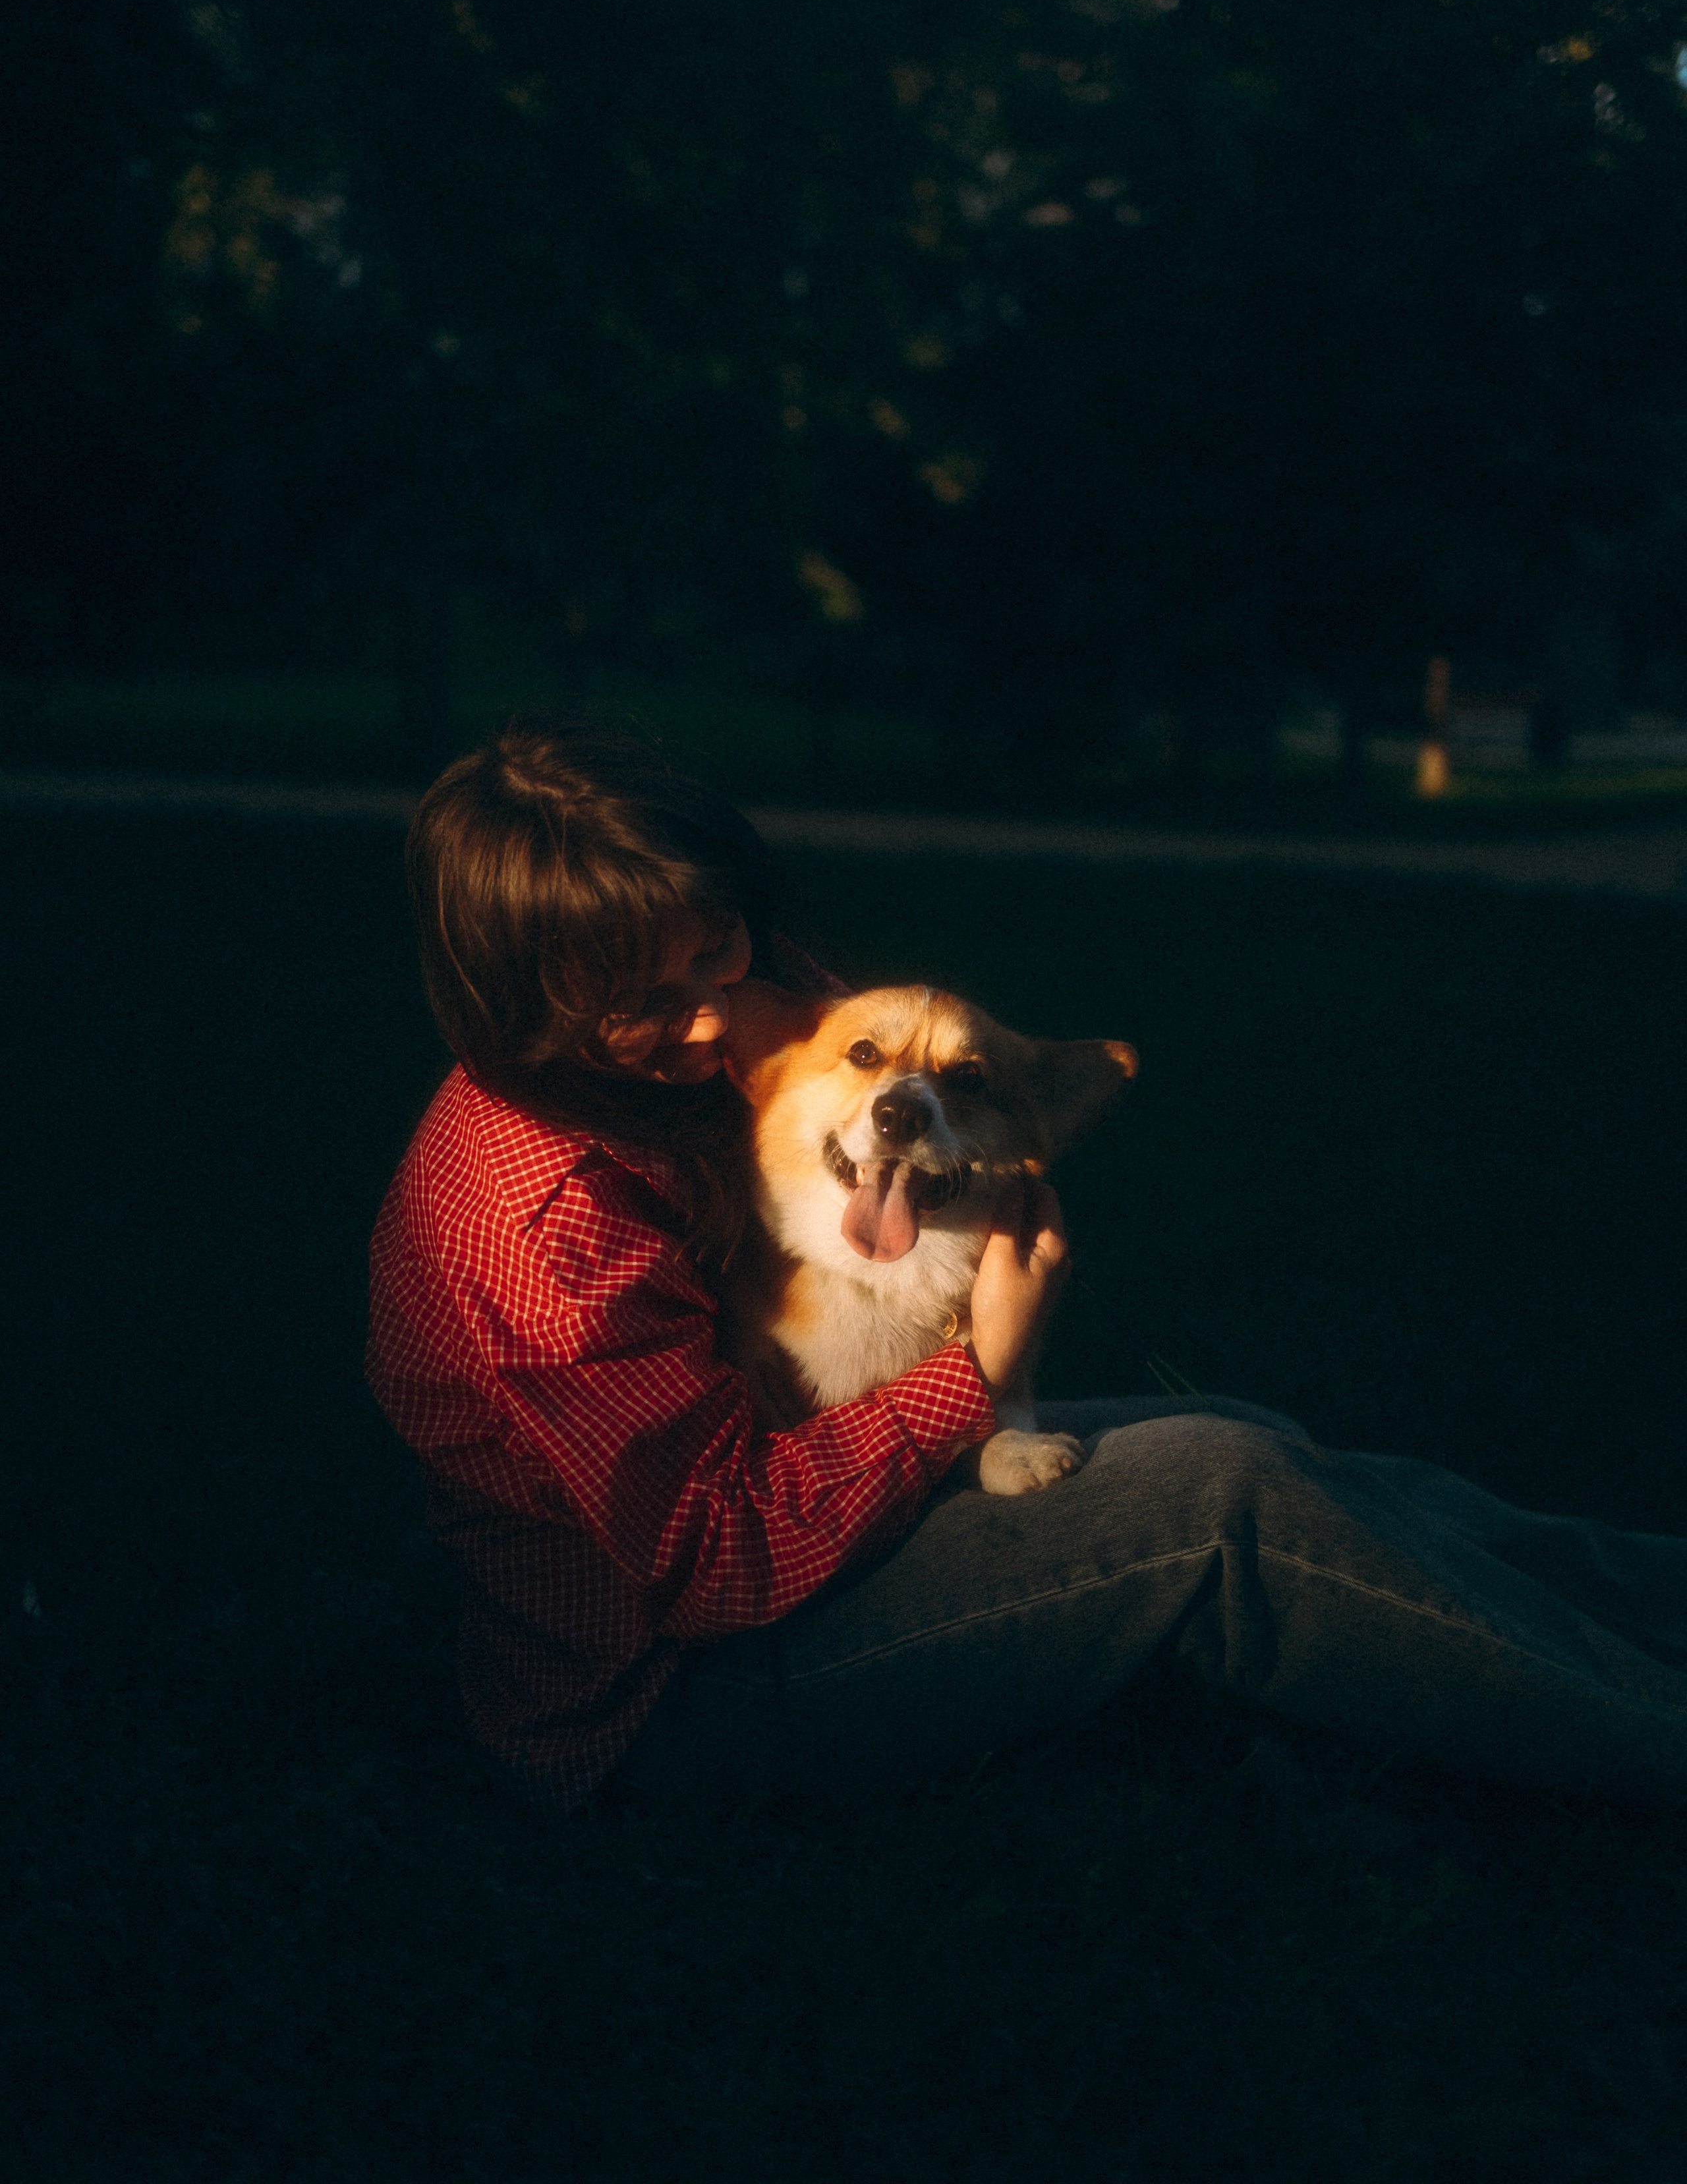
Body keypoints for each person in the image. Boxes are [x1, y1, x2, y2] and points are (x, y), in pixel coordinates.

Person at [368, 720, 1687, 1810]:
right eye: (645, 1006)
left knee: (1253, 1435)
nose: (718, 1021)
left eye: (716, 951)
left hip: (802, 1511)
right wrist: (981, 1372)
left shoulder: (717, 1013)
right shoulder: (538, 1222)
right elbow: (717, 1562)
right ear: (525, 1013)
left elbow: (922, 1106)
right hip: (673, 1699)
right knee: (1220, 1497)